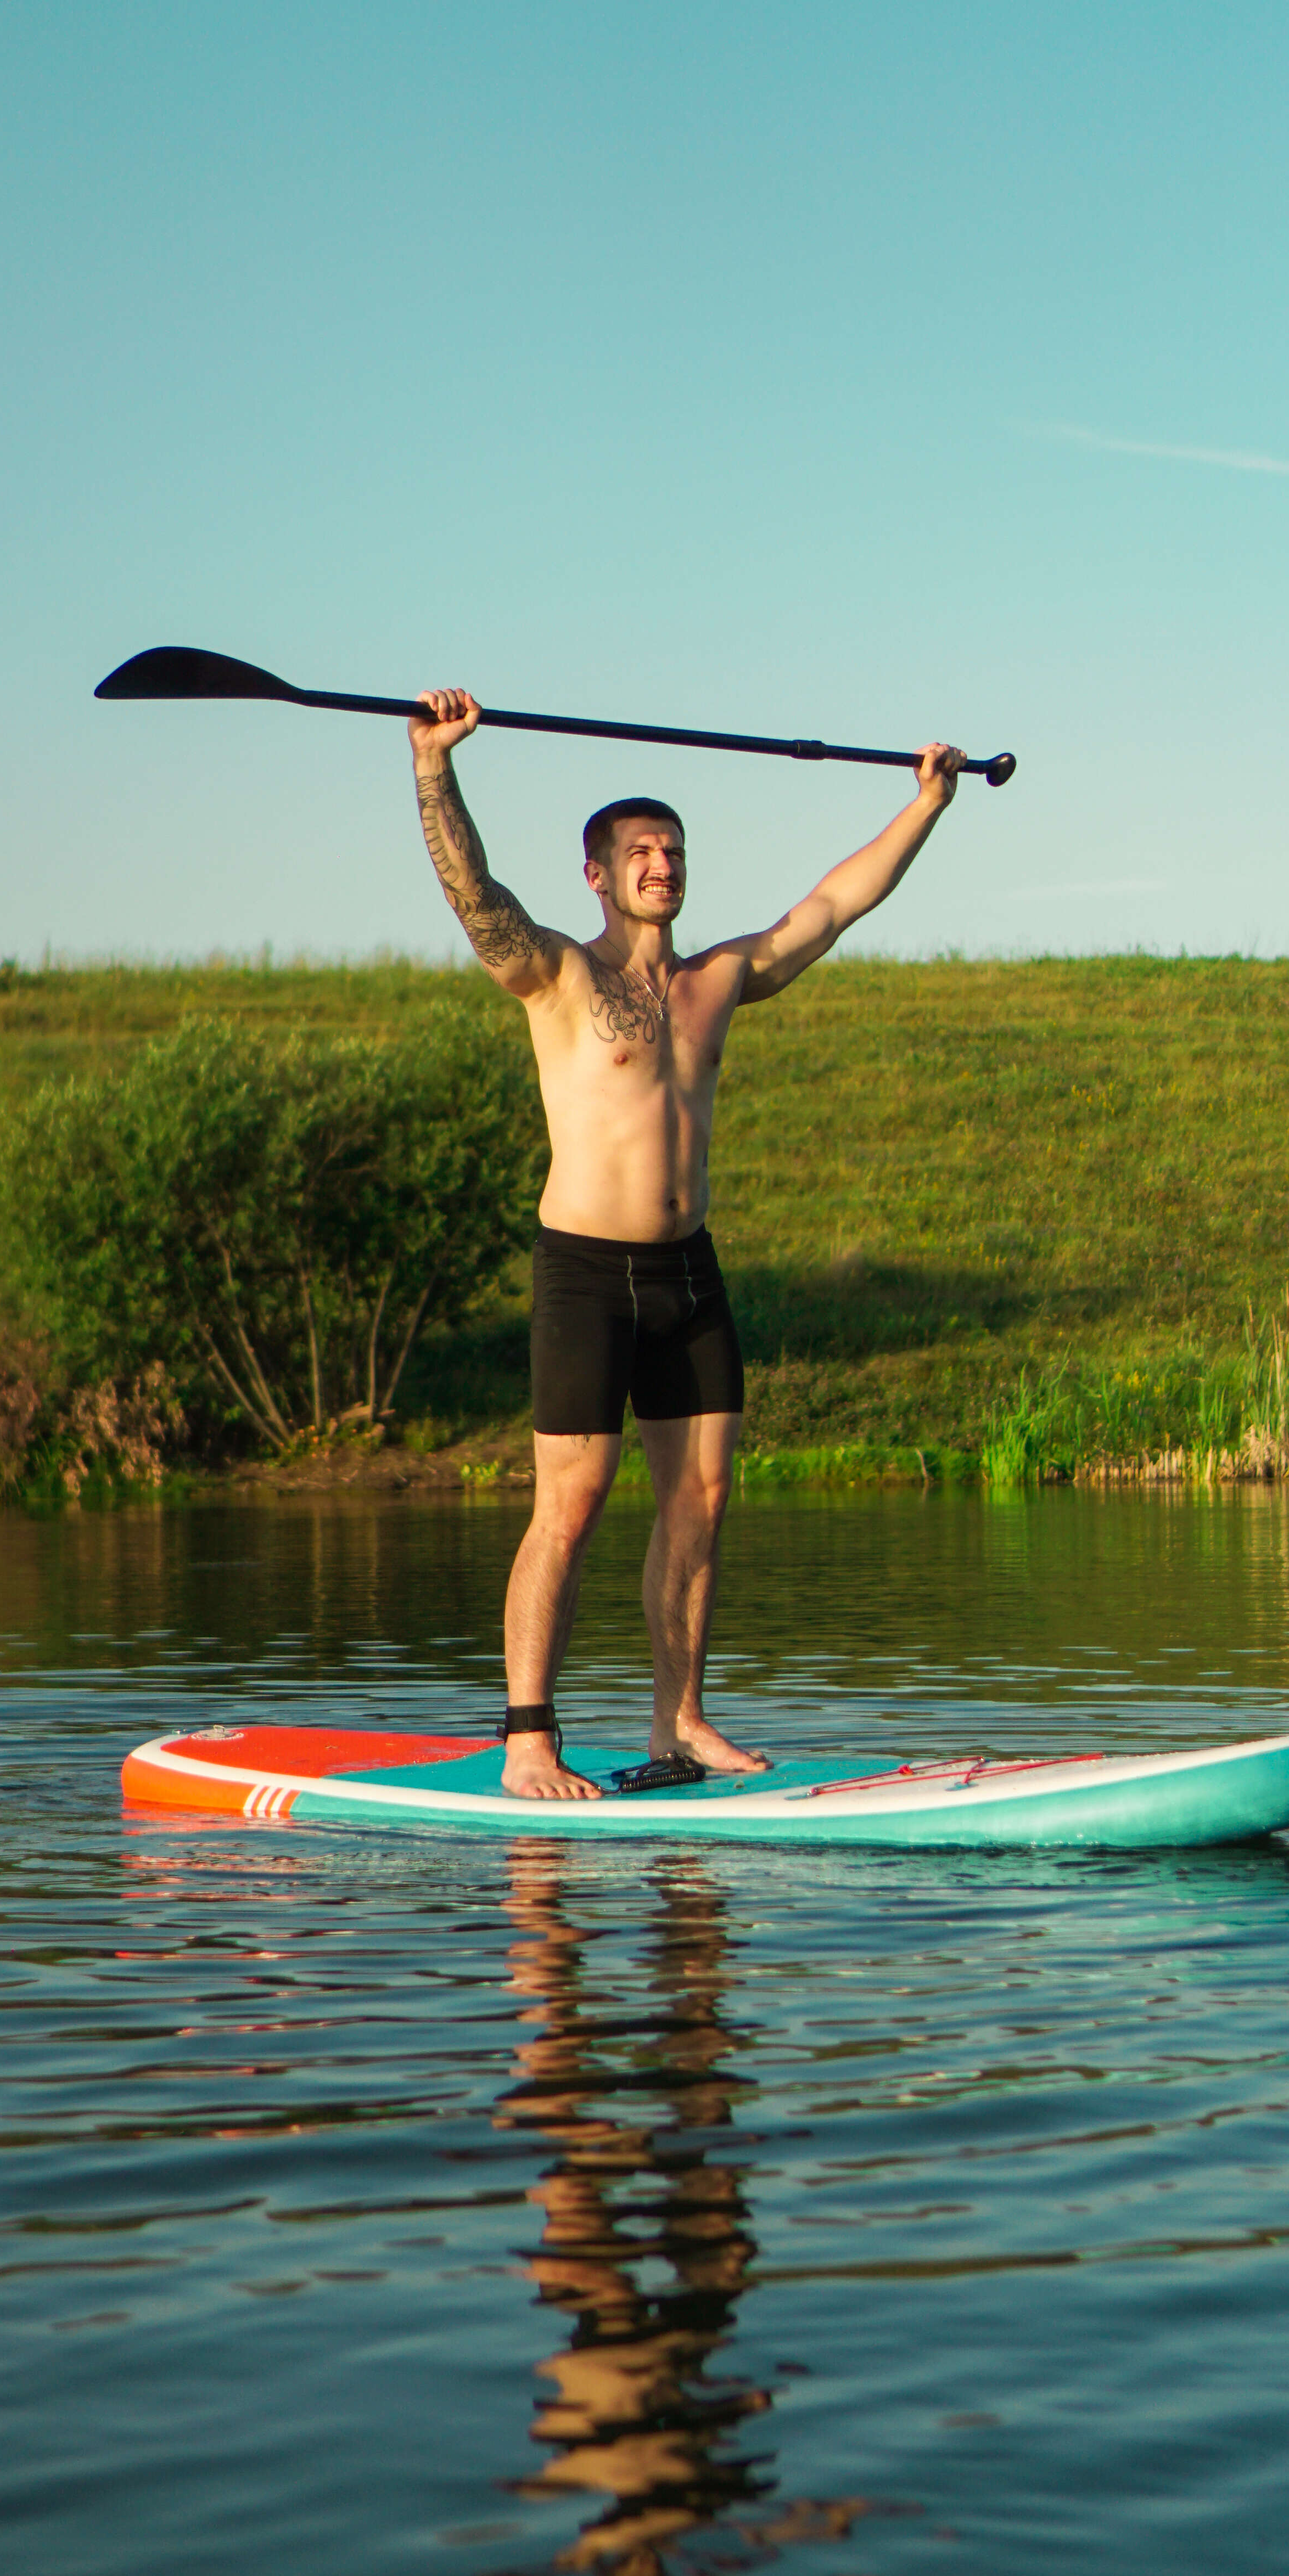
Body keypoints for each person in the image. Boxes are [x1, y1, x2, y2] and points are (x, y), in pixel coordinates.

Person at [408, 686, 965, 1799]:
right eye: (638, 851)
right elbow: (476, 902)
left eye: (670, 849)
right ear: (598, 875)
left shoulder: (716, 984)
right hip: (583, 1273)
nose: (660, 865)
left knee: (701, 1499)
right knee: (568, 1506)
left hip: (687, 1275)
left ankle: (682, 1721)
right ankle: (527, 1736)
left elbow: (829, 908)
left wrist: (929, 802)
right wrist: (434, 768)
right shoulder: (558, 977)